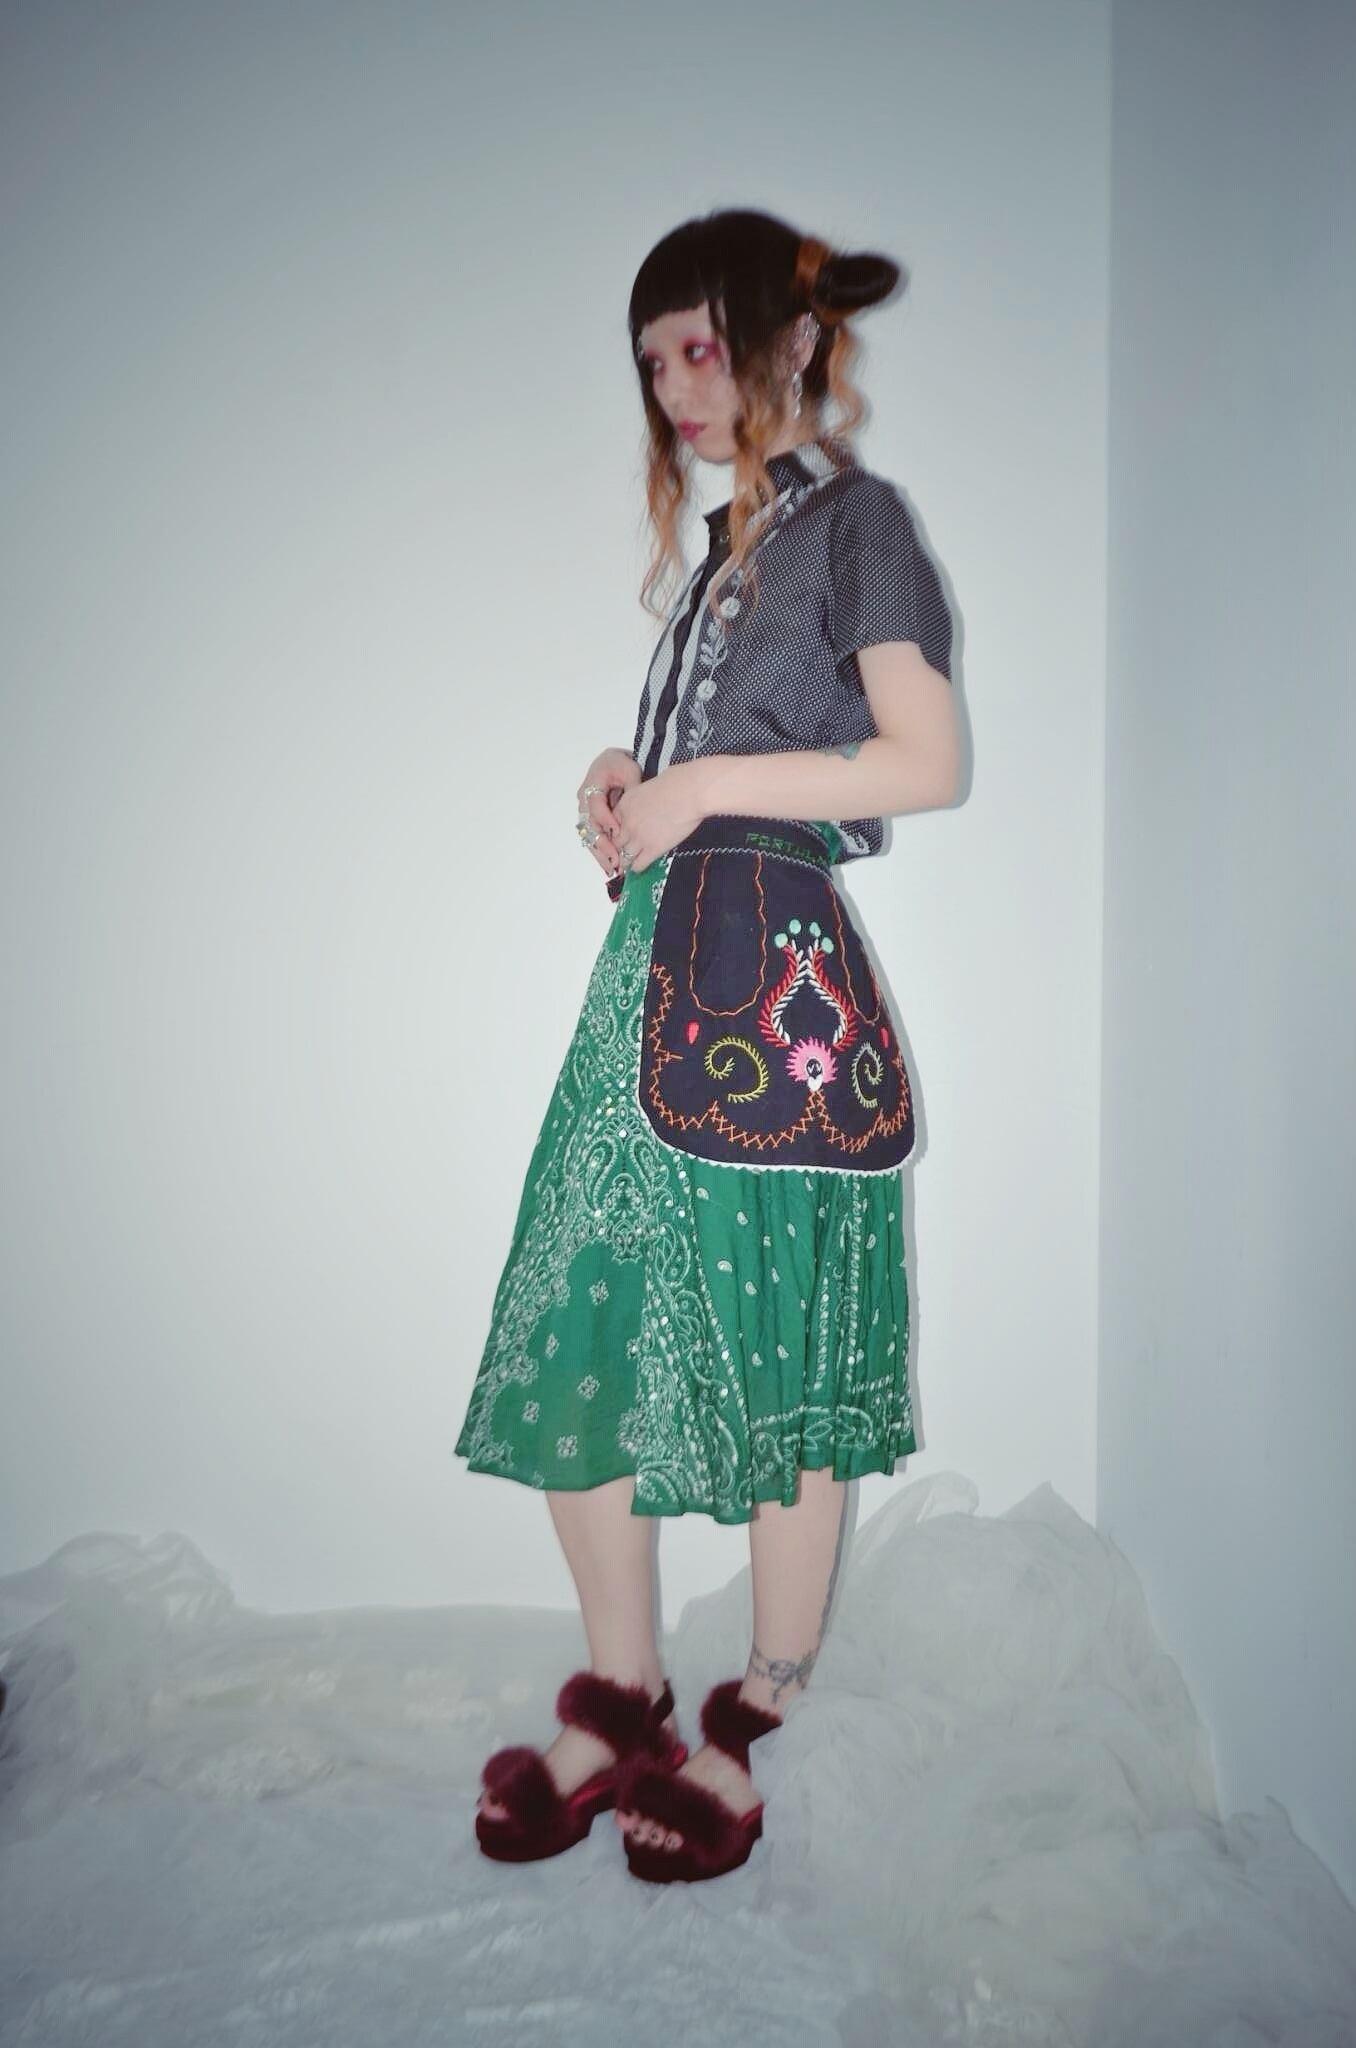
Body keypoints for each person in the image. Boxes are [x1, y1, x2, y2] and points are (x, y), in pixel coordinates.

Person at [454, 207, 960, 1883]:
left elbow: (927, 761)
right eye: (655, 361)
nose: (678, 386)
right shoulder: (717, 563)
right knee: (580, 1309)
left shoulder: (858, 526)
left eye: (703, 348)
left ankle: (758, 1709)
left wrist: (706, 787)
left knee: (781, 1343)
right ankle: (626, 1691)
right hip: (656, 967)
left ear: (793, 343)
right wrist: (631, 781)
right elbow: (711, 776)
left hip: (778, 986)